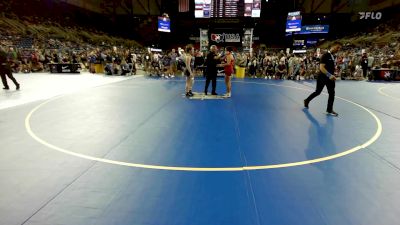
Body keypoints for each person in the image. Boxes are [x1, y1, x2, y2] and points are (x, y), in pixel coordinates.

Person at [304, 42, 343, 116]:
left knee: (332, 93)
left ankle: (329, 109)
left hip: (330, 78)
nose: (338, 49)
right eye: (337, 47)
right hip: (322, 77)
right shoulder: (325, 55)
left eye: (340, 48)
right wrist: (329, 75)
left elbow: (330, 67)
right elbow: (321, 68)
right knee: (318, 92)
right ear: (332, 46)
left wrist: (333, 74)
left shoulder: (333, 56)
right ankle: (307, 100)